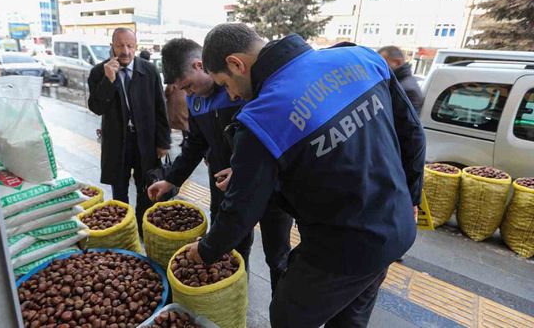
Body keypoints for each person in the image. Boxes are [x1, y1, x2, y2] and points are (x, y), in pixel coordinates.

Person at [184, 23, 425, 328]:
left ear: (236, 64)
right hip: (397, 226)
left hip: (341, 248)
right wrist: (412, 197)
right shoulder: (361, 58)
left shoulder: (261, 117)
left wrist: (206, 250)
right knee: (350, 318)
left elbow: (241, 210)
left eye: (224, 83)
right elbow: (412, 134)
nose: (230, 95)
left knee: (287, 316)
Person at [147, 38, 293, 291]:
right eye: (184, 90)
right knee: (232, 246)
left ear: (200, 65)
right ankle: (237, 295)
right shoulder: (196, 101)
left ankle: (282, 307)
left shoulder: (245, 87)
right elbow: (196, 143)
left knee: (277, 254)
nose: (189, 94)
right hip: (223, 185)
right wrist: (172, 179)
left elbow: (281, 137)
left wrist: (243, 171)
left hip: (270, 186)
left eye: (189, 86)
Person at [87, 28, 170, 230]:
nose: (125, 51)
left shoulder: (148, 70)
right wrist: (109, 80)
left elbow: (161, 106)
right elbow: (97, 107)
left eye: (130, 46)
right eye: (120, 45)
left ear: (136, 47)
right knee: (119, 188)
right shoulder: (99, 72)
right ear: (112, 46)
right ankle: (123, 228)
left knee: (146, 186)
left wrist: (163, 141)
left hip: (145, 140)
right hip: (117, 142)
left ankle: (143, 228)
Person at [378, 45, 424, 113]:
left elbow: (410, 121)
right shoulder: (397, 83)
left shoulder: (407, 89)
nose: (380, 68)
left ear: (398, 62)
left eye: (383, 64)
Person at [163, 83, 189, 148]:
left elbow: (169, 90)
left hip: (175, 102)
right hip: (184, 99)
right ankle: (186, 139)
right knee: (184, 121)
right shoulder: (181, 78)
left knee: (168, 122)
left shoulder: (172, 79)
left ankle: (167, 141)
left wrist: (164, 95)